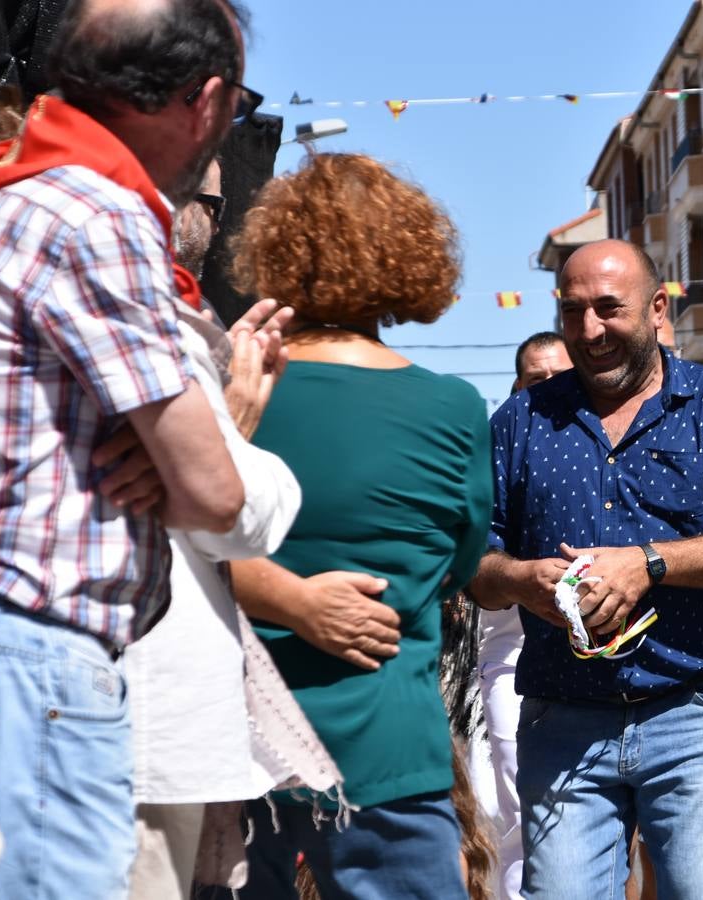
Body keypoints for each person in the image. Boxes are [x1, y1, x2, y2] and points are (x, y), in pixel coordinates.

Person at [0, 0, 252, 894]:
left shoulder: (14, 192)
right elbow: (215, 492)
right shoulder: (99, 214)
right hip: (41, 659)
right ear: (205, 100)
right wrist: (198, 444)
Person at [469, 238, 703, 899]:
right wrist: (521, 580)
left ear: (656, 309)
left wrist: (648, 564)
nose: (590, 331)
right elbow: (474, 559)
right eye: (572, 311)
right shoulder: (519, 421)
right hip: (561, 720)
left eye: (609, 309)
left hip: (692, 711)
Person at [220, 152, 489, 899]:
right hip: (388, 741)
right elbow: (460, 565)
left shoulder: (231, 389)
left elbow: (182, 541)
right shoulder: (453, 410)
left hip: (240, 738)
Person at [123, 160, 348, 898]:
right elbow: (233, 512)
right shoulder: (150, 318)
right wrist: (239, 430)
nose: (213, 222)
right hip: (144, 717)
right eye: (209, 199)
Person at [478, 330, 573, 900]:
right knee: (520, 814)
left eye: (563, 377)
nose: (553, 389)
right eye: (538, 381)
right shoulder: (502, 445)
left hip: (601, 668)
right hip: (512, 658)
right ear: (517, 390)